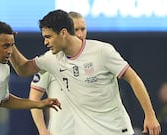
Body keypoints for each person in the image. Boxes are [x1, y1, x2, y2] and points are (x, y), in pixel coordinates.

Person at [9, 9, 161, 135]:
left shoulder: (102, 51)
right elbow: (23, 69)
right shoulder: (52, 59)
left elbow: (133, 79)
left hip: (116, 130)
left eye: (48, 37)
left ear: (63, 33)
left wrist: (150, 115)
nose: (45, 42)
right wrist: (11, 45)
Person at [29, 11, 86, 135]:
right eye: (76, 30)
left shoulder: (93, 56)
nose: (80, 34)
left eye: (83, 29)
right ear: (64, 32)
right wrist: (42, 130)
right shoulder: (49, 60)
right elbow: (34, 99)